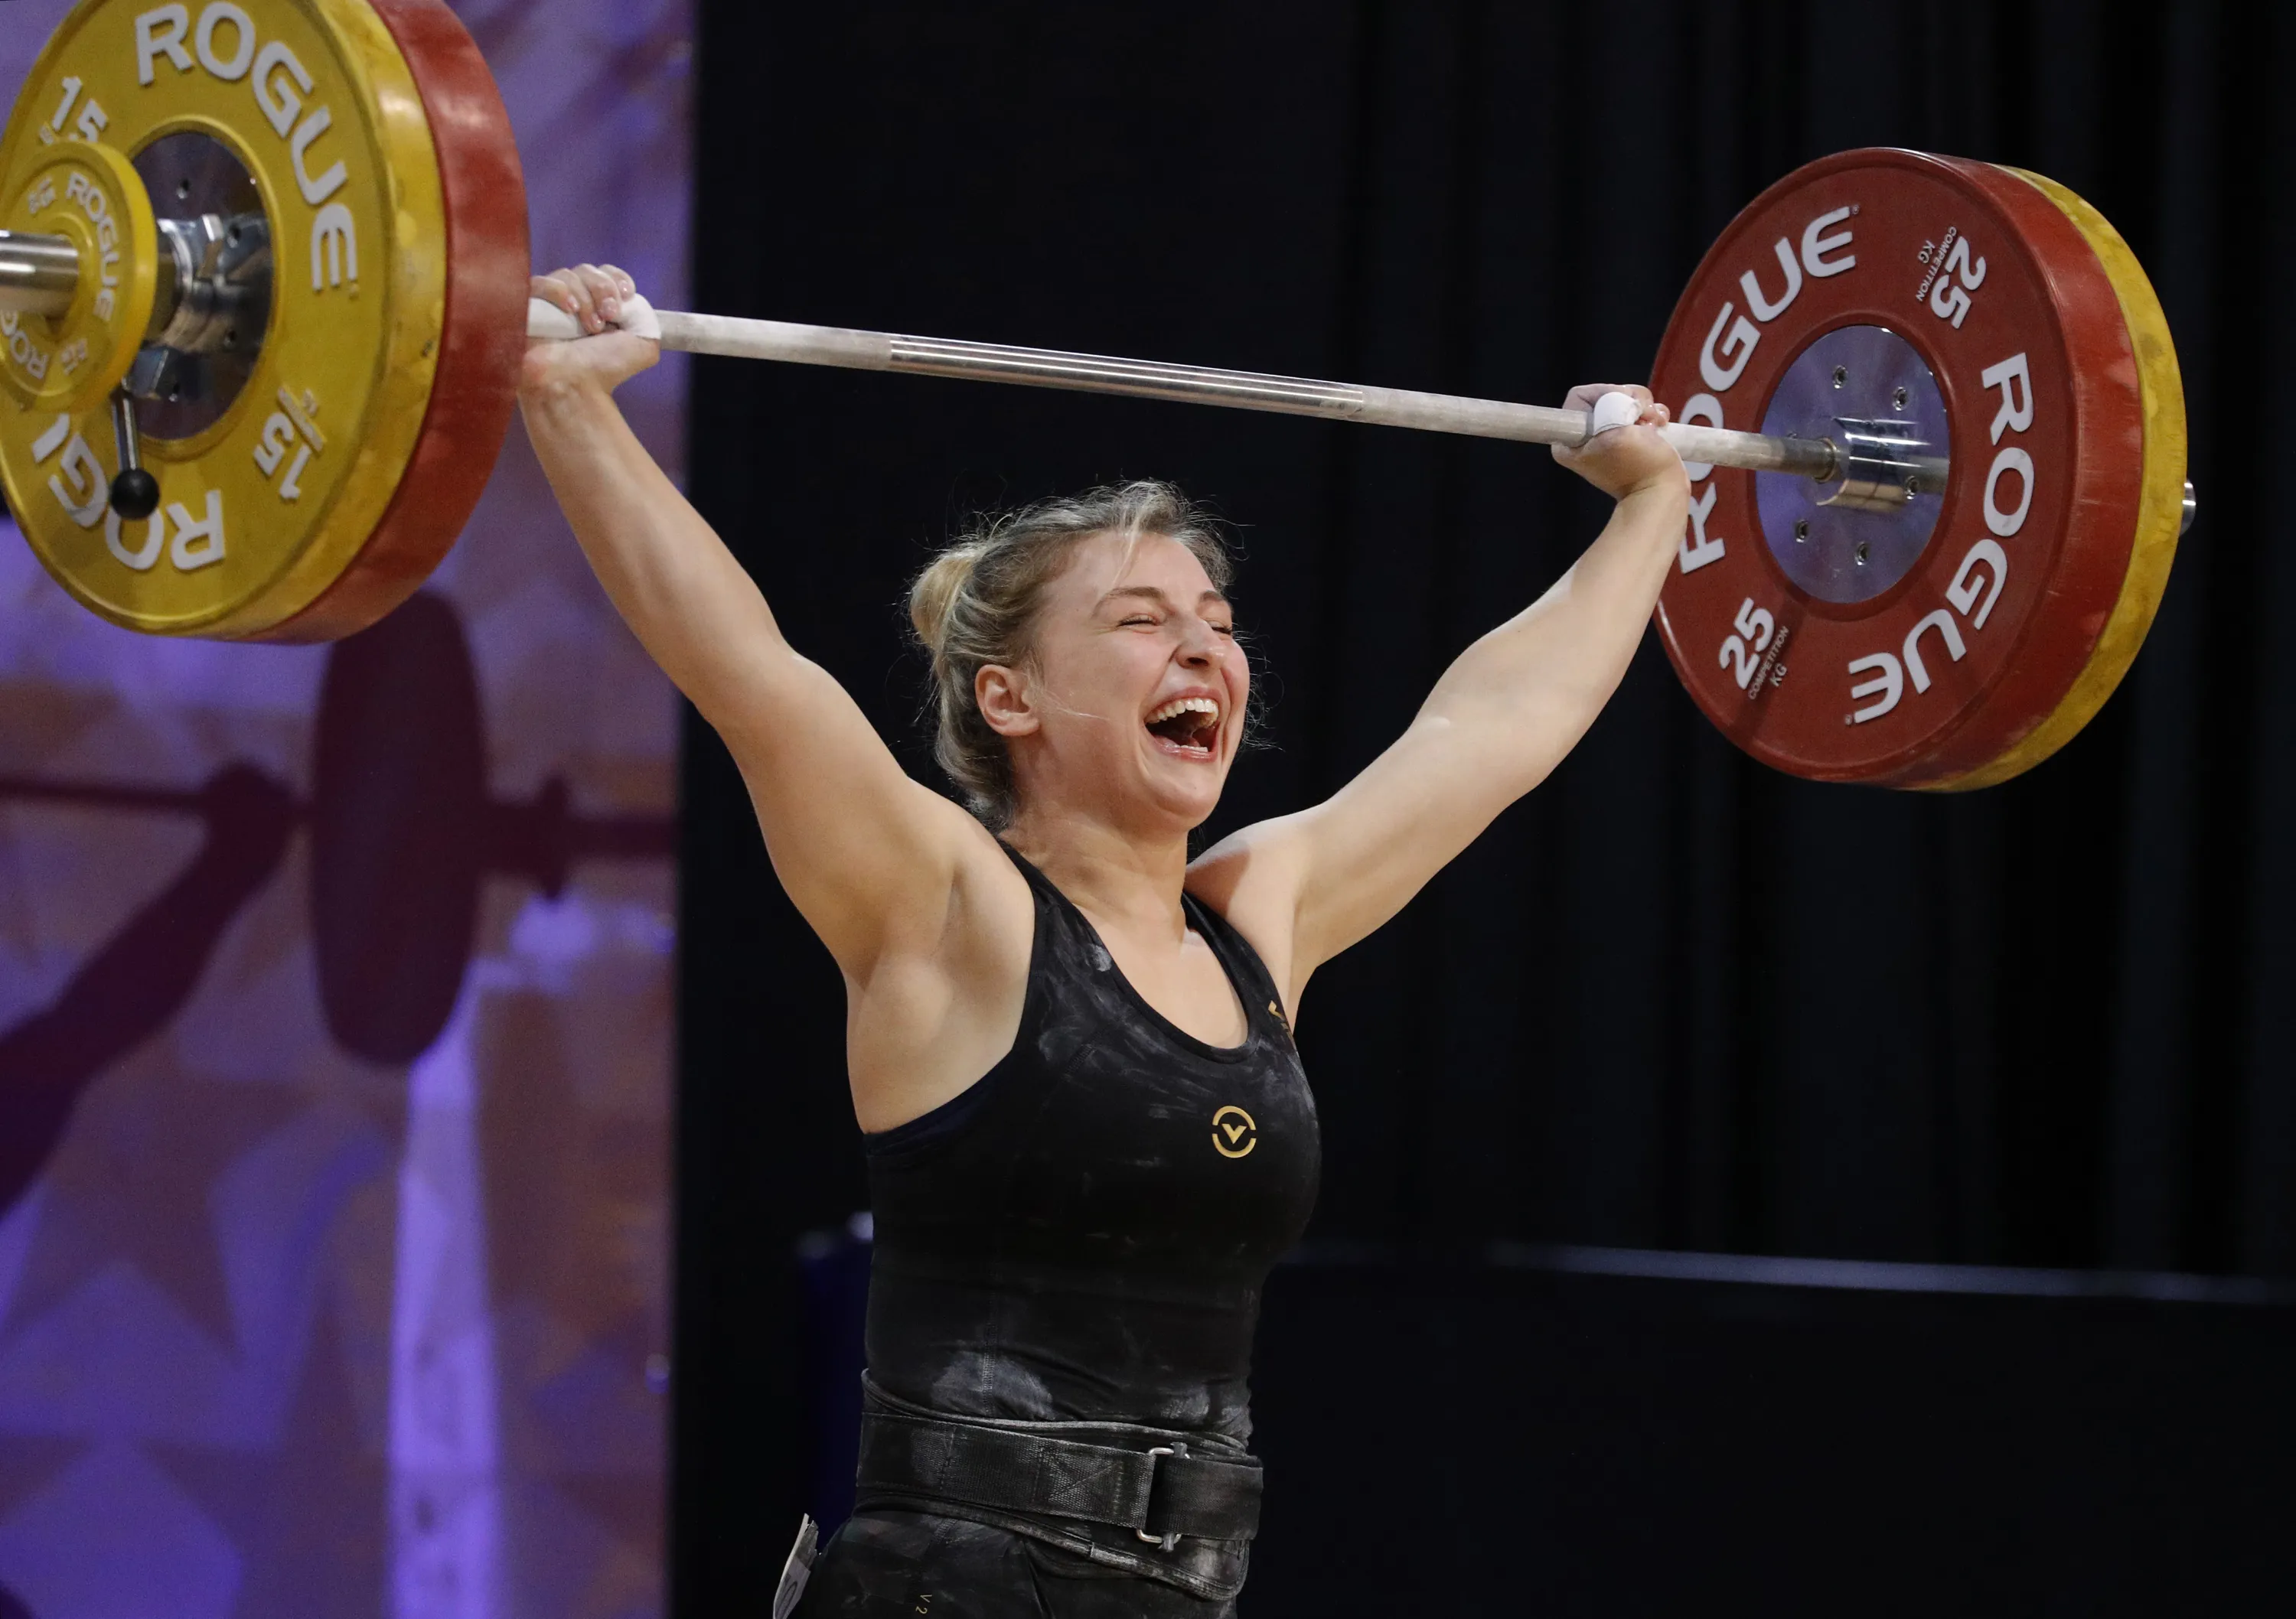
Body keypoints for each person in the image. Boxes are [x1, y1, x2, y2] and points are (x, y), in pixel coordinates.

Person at [522, 264, 1690, 1617]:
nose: (1201, 650)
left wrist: (1652, 506)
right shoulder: (947, 904)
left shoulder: (1256, 921)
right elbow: (744, 666)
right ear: (1009, 697)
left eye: (1218, 625)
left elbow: (1493, 728)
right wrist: (569, 401)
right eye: (1142, 622)